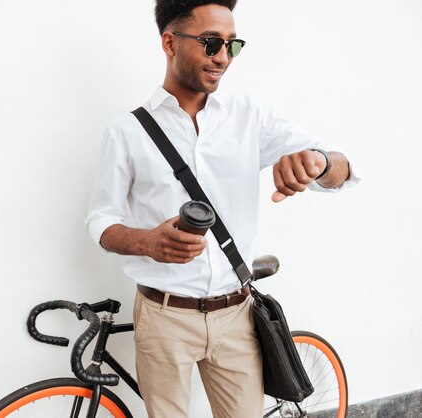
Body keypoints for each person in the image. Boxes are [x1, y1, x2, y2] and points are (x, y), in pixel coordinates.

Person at [85, 1, 359, 417]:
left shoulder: (249, 117)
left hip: (237, 313)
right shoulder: (126, 131)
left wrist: (317, 162)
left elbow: (341, 169)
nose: (223, 58)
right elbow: (101, 219)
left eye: (233, 45)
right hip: (163, 316)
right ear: (169, 42)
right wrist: (149, 242)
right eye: (212, 43)